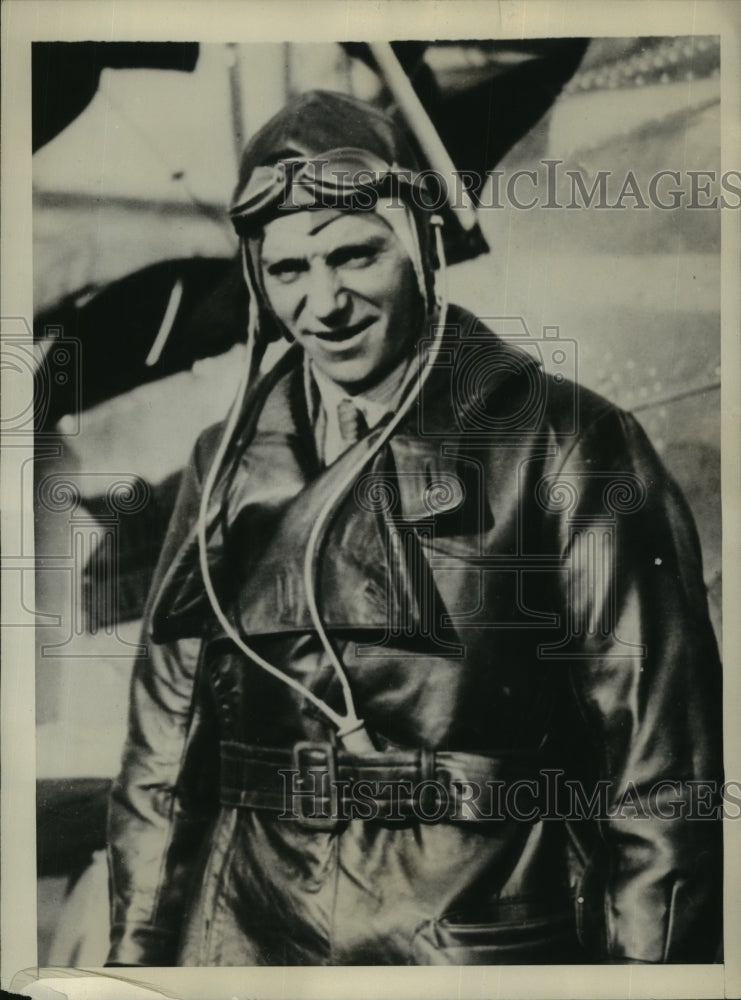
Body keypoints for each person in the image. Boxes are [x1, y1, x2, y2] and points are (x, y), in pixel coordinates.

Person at [106, 90, 723, 967]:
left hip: (467, 937)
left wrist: (651, 985)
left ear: (422, 247)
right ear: (256, 279)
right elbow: (161, 751)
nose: (325, 304)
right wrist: (138, 963)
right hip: (242, 935)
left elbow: (660, 771)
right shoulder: (226, 460)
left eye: (355, 255)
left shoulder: (563, 442)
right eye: (288, 272)